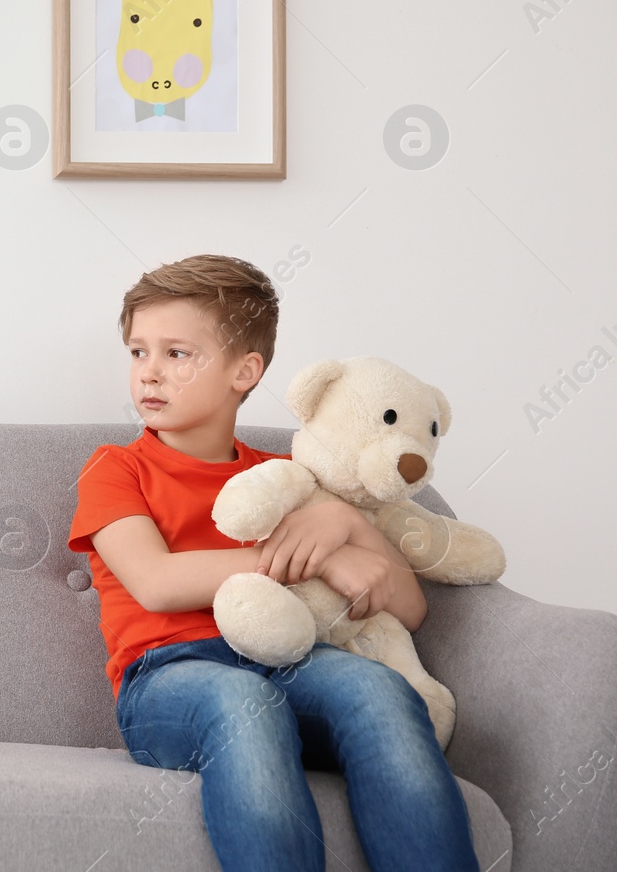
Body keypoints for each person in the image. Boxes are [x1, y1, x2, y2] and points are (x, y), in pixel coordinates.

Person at [68, 254, 480, 872]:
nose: (149, 373)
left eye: (177, 354)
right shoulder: (115, 468)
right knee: (240, 700)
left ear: (245, 370)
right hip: (169, 678)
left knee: (376, 687)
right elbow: (155, 583)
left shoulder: (290, 477)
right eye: (137, 352)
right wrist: (313, 562)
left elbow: (412, 608)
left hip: (292, 660)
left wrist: (342, 525)